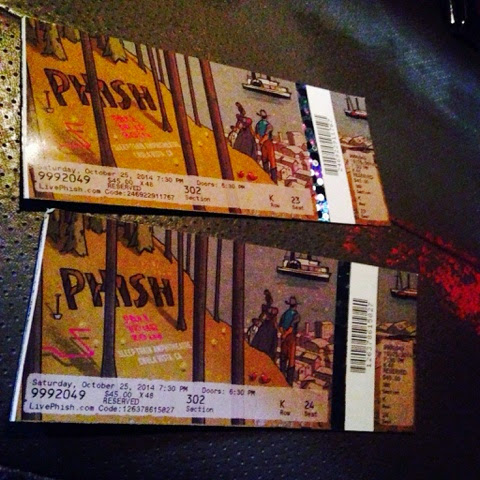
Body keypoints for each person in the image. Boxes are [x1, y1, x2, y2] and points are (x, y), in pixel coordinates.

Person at [278, 296, 301, 385]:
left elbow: (280, 326)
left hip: (285, 336)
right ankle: (288, 381)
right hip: (290, 337)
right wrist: (285, 334)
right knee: (290, 359)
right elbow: (291, 328)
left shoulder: (285, 313)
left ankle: (283, 377)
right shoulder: (296, 315)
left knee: (283, 356)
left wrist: (283, 334)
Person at [255, 109, 277, 183]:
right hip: (267, 143)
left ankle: (268, 178)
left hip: (263, 143)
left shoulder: (258, 124)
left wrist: (260, 141)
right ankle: (273, 180)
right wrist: (262, 141)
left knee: (265, 160)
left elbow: (257, 134)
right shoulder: (268, 125)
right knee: (271, 161)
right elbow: (266, 135)